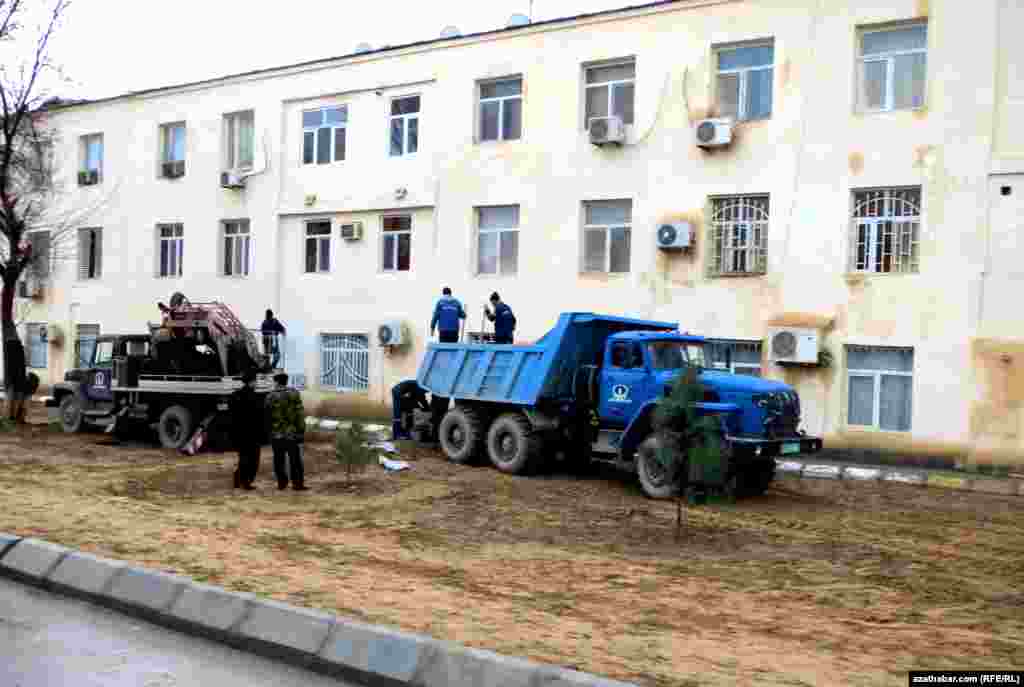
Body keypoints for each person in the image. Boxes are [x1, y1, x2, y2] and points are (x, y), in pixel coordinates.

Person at [265, 372, 308, 491]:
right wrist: (301, 430)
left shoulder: (270, 396)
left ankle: (281, 483)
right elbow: (300, 413)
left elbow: (267, 416)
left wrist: (268, 432)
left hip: (276, 434)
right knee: (295, 459)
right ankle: (297, 483)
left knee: (279, 459)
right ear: (286, 381)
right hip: (292, 433)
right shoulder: (294, 393)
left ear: (276, 382)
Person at [230, 368, 263, 490]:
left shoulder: (236, 395)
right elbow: (258, 416)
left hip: (239, 432)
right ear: (252, 381)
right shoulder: (254, 396)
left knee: (243, 457)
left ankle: (238, 479)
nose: (257, 383)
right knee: (253, 459)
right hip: (252, 432)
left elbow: (233, 415)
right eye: (256, 380)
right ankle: (246, 481)